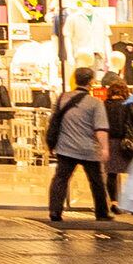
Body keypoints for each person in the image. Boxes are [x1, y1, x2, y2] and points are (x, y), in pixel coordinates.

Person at [45, 67, 116, 223]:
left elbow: (54, 121)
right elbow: (101, 128)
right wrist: (104, 148)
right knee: (96, 181)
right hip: (89, 149)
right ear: (91, 81)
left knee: (61, 179)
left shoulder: (62, 98)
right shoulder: (95, 103)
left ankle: (55, 211)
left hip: (65, 148)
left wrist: (52, 143)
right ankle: (102, 212)